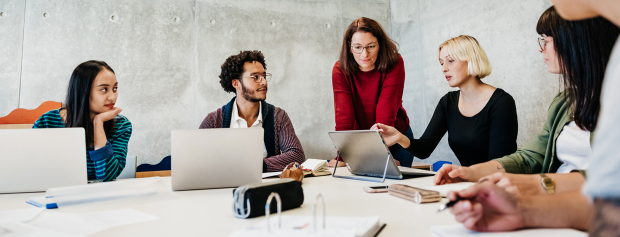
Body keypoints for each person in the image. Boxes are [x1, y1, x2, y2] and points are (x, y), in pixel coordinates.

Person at [448, 2, 620, 234]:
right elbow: (531, 157)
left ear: (576, 40)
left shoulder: (500, 100)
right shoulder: (565, 101)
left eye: (546, 40)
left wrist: (538, 185)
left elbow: (609, 184)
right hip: (563, 212)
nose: (541, 49)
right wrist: (471, 172)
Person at [373, 35, 518, 167]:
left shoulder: (501, 103)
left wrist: (460, 174)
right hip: (469, 183)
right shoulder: (448, 102)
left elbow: (499, 166)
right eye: (441, 63)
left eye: (450, 61)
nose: (444, 68)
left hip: (497, 187)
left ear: (471, 59)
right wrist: (398, 137)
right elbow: (424, 149)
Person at [199, 50, 305, 172]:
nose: (264, 82)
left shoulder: (278, 116)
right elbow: (198, 160)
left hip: (265, 188)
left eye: (264, 76)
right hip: (224, 187)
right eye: (255, 77)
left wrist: (256, 166)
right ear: (236, 83)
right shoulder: (213, 121)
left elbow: (297, 155)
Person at [330, 17, 413, 167]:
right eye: (358, 47)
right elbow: (344, 118)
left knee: (394, 188)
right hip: (361, 143)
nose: (364, 55)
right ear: (349, 47)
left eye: (371, 46)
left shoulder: (395, 62)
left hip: (395, 138)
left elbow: (386, 111)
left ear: (380, 44)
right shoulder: (340, 70)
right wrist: (343, 158)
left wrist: (381, 156)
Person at [33, 60, 132, 182]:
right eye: (104, 89)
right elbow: (31, 168)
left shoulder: (121, 125)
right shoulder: (46, 122)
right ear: (83, 91)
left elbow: (107, 176)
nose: (112, 97)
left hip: (97, 195)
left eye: (115, 88)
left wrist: (98, 123)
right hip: (53, 191)